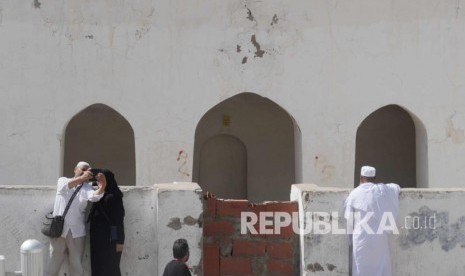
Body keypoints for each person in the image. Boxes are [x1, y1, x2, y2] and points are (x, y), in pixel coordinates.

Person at [46, 161, 106, 276]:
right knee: (54, 259)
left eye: (87, 171)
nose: (85, 172)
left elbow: (94, 197)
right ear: (75, 169)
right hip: (59, 229)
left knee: (76, 263)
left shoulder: (87, 187)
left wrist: (102, 185)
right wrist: (82, 177)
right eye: (82, 169)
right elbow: (66, 186)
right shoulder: (63, 180)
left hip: (77, 231)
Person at [343, 165, 400, 276]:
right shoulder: (382, 190)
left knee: (361, 269)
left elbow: (348, 219)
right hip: (379, 238)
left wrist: (350, 240)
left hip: (361, 239)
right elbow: (396, 187)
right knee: (381, 269)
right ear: (374, 178)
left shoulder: (354, 194)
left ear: (361, 178)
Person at [88, 169, 125, 276]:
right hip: (98, 239)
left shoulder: (114, 197)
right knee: (98, 266)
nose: (99, 183)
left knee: (111, 267)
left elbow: (119, 220)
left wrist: (120, 241)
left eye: (102, 180)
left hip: (110, 240)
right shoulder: (99, 194)